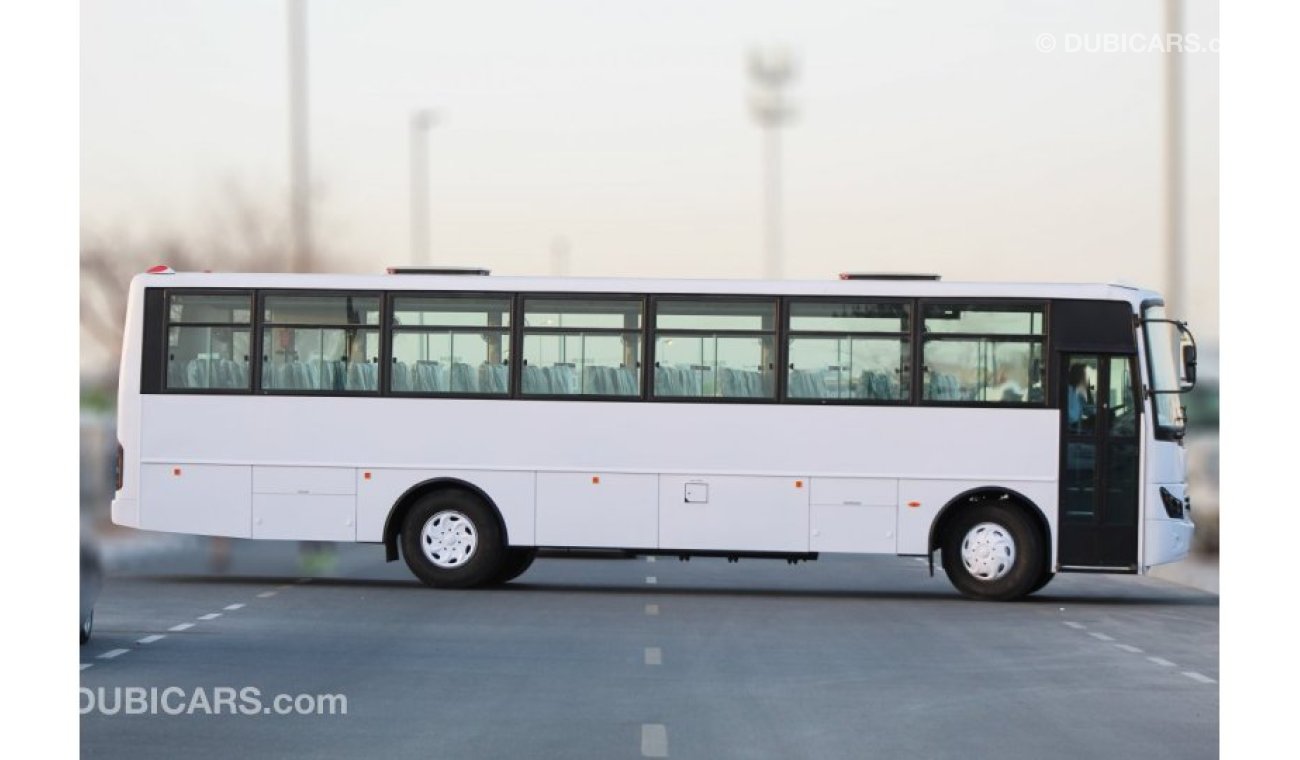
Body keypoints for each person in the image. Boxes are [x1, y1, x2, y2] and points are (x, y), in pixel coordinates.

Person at [1067, 363, 1094, 429]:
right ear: (1078, 375)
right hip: (1071, 426)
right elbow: (1072, 415)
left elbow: (1088, 410)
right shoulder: (1069, 390)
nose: (1086, 378)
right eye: (1084, 375)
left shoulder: (1078, 390)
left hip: (1076, 424)